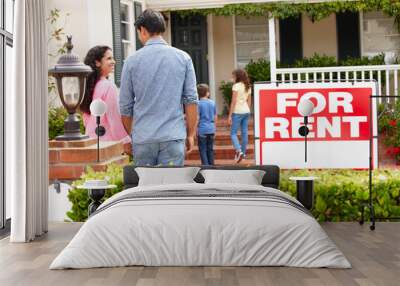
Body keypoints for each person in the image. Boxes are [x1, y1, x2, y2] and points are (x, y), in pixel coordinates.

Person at [119, 9, 198, 166]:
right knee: (170, 189)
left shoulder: (131, 61)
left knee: (146, 190)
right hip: (173, 135)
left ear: (142, 30)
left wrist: (134, 135)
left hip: (143, 138)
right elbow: (191, 101)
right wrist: (190, 134)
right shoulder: (183, 58)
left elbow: (125, 107)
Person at [80, 46, 131, 154]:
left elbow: (86, 119)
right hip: (108, 145)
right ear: (97, 62)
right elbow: (114, 119)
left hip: (91, 143)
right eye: (109, 58)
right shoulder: (108, 86)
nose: (114, 61)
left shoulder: (87, 87)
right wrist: (126, 142)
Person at [228, 69, 252, 163]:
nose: (232, 78)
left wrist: (229, 115)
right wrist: (248, 110)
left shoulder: (236, 86)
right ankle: (243, 154)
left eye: (233, 76)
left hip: (237, 111)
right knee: (244, 133)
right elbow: (249, 101)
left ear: (237, 76)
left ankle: (239, 151)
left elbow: (233, 102)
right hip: (246, 111)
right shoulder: (248, 86)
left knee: (233, 133)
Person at [197, 84, 217, 166]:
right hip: (211, 129)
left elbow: (197, 118)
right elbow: (215, 117)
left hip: (202, 130)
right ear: (207, 93)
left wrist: (195, 129)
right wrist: (214, 128)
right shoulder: (212, 103)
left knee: (203, 150)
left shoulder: (198, 104)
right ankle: (212, 167)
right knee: (210, 149)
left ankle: (206, 167)